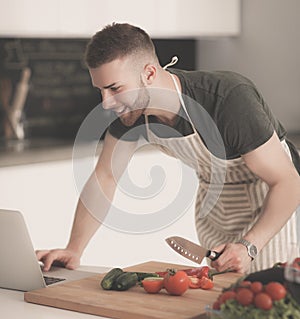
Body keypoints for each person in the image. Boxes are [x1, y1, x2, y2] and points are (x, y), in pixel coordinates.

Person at [36, 23, 300, 274]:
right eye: (100, 91)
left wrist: (249, 245)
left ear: (149, 73)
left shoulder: (227, 99)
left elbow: (287, 181)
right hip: (219, 212)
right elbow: (105, 176)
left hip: (276, 208)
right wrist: (74, 249)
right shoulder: (132, 111)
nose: (106, 103)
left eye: (114, 88)